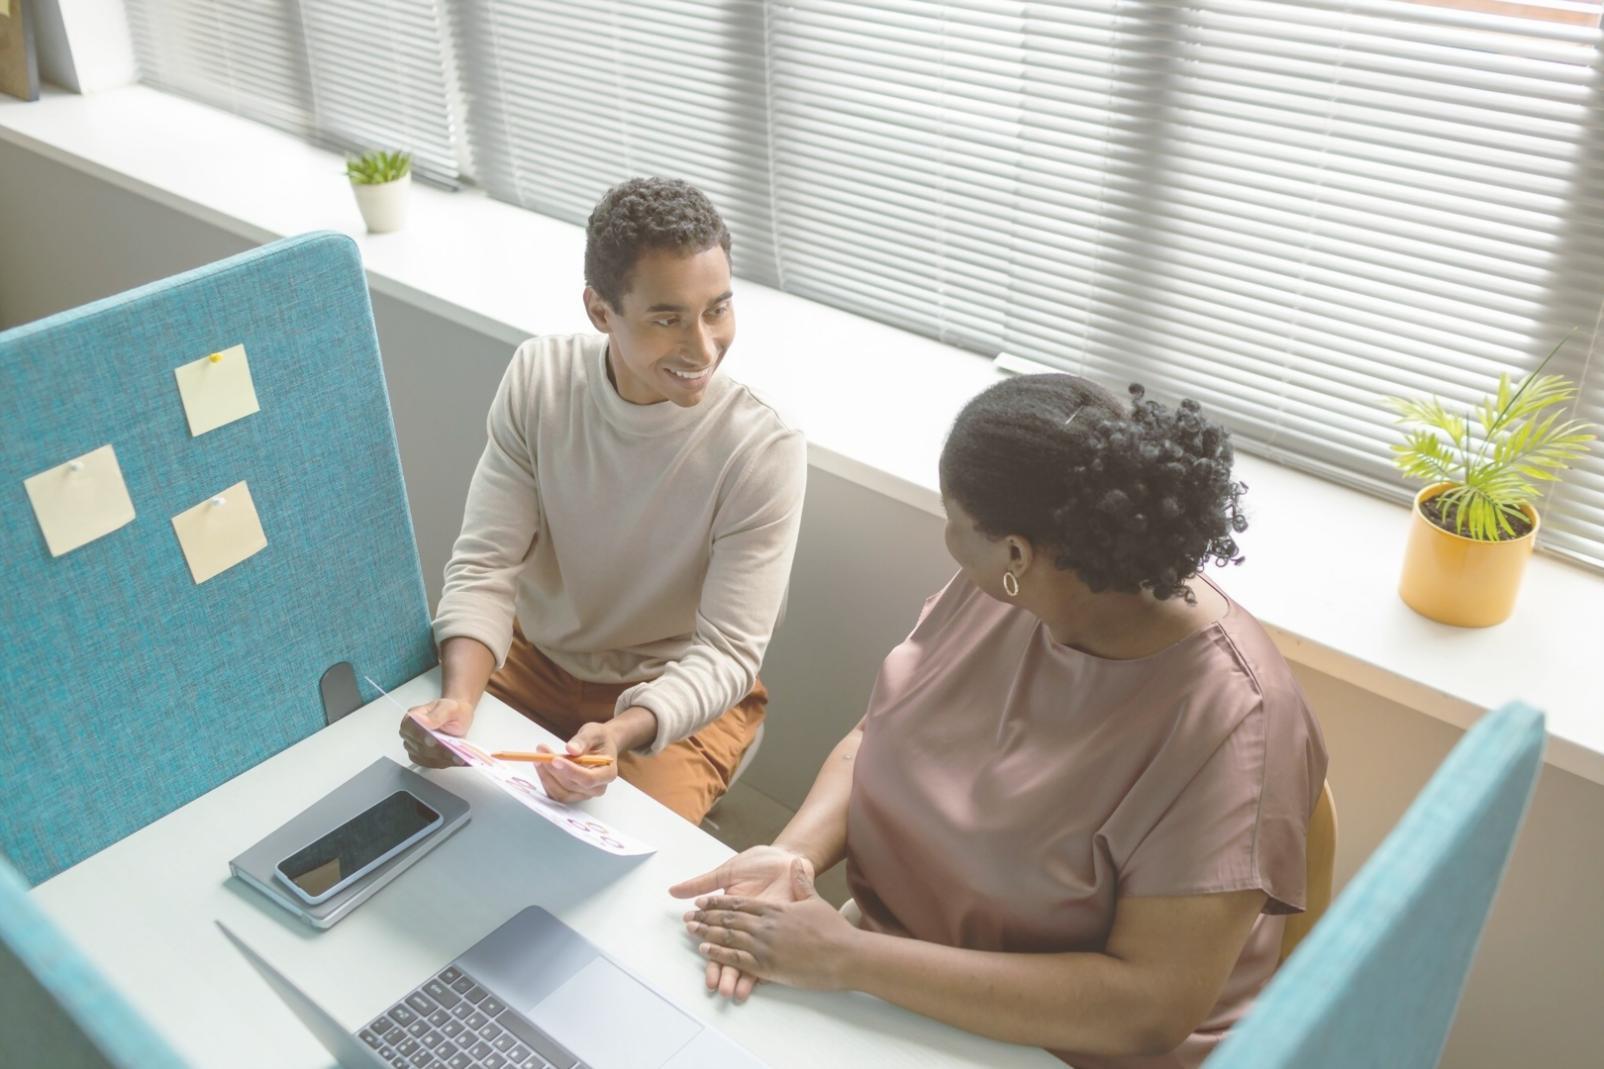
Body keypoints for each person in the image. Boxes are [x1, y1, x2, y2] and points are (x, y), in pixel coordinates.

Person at [670, 374, 1328, 1068]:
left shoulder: (1234, 726)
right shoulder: (1016, 585)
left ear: (1016, 552)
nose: (946, 534)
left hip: (1066, 1048)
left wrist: (850, 958)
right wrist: (794, 855)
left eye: (952, 516)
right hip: (895, 975)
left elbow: (1146, 1007)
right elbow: (876, 738)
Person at [402, 177, 807, 825]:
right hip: (533, 659)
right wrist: (457, 702)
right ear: (600, 311)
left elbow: (728, 653)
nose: (703, 347)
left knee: (616, 857)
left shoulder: (762, 447)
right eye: (667, 318)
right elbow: (485, 566)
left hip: (676, 688)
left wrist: (621, 732)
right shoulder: (539, 380)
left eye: (717, 310)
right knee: (424, 807)